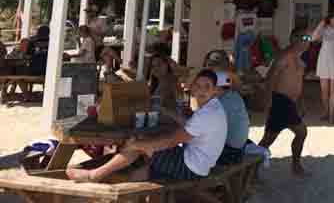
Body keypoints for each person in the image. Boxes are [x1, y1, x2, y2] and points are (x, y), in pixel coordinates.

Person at [66, 69, 227, 183]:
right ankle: (118, 177)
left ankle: (95, 175)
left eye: (207, 87)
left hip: (191, 168)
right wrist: (166, 112)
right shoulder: (214, 107)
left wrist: (141, 145)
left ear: (215, 90)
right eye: (198, 85)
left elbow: (171, 141)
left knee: (141, 142)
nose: (201, 90)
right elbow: (188, 128)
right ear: (193, 87)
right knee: (146, 153)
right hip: (200, 164)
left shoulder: (206, 115)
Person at [258, 30, 311, 176]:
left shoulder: (299, 58)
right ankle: (296, 166)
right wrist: (267, 101)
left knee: (268, 139)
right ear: (293, 39)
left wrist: (301, 102)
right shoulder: (285, 56)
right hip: (280, 101)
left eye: (309, 38)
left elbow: (298, 82)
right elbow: (270, 78)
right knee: (301, 132)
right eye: (304, 37)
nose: (307, 41)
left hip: (289, 103)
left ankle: (250, 169)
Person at [312, 12, 334, 122]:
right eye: (333, 19)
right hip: (323, 59)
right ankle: (326, 112)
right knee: (324, 89)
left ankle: (332, 114)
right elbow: (313, 38)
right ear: (329, 20)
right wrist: (321, 23)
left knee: (333, 90)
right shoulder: (325, 28)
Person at [212, 70, 250, 165]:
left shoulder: (221, 103)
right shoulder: (234, 95)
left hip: (231, 153)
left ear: (218, 88)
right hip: (240, 148)